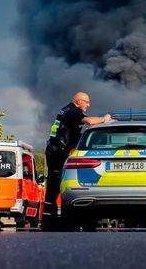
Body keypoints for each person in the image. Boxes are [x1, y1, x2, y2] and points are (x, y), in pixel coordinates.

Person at [42, 92, 114, 222]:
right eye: (86, 102)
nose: (88, 104)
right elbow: (89, 121)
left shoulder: (65, 111)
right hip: (59, 153)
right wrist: (105, 119)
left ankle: (49, 218)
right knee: (56, 185)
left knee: (54, 185)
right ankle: (51, 218)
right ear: (78, 102)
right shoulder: (73, 112)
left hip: (55, 151)